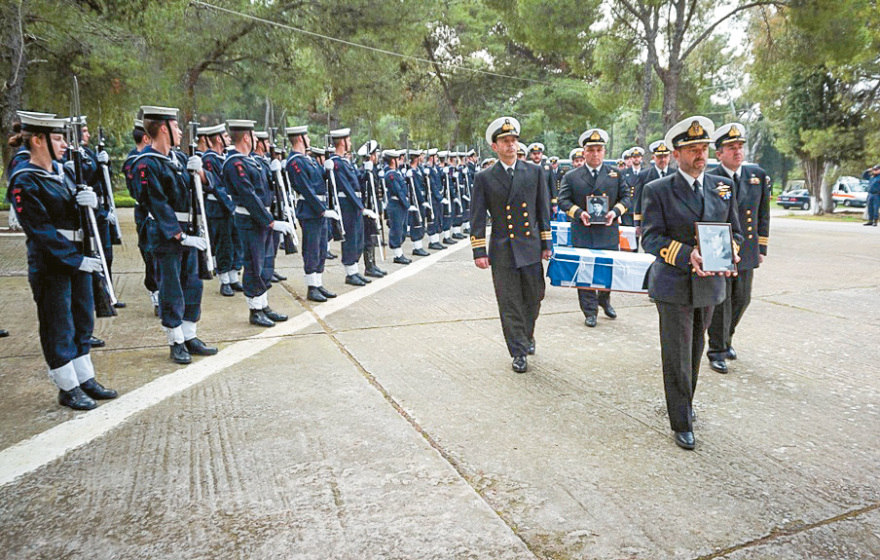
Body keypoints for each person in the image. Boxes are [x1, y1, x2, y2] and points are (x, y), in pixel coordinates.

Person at [641, 116, 744, 450]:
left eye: (703, 148)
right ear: (676, 154)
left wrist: (732, 252)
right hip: (673, 284)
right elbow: (651, 238)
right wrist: (688, 254)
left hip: (711, 285)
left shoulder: (721, 186)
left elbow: (736, 231)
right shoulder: (658, 190)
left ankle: (686, 401)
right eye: (693, 150)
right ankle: (680, 419)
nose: (701, 155)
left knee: (696, 349)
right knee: (677, 354)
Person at [8, 112, 117, 409]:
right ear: (38, 140)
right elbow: (40, 230)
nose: (64, 144)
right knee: (59, 324)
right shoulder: (24, 180)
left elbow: (80, 216)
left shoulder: (66, 173)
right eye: (57, 138)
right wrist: (74, 260)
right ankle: (67, 386)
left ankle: (84, 378)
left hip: (78, 258)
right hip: (52, 263)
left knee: (83, 319)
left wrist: (91, 204)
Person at [132, 106, 217, 363]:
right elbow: (156, 204)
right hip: (166, 235)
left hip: (189, 231)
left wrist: (200, 173)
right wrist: (179, 235)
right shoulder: (146, 164)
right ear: (163, 129)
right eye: (176, 127)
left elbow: (208, 185)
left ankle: (189, 335)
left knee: (193, 285)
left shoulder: (179, 159)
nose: (180, 131)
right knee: (172, 289)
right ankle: (175, 341)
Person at [470, 117, 552, 374]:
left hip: (530, 246)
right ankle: (517, 350)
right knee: (509, 302)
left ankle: (527, 334)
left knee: (535, 296)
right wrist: (478, 250)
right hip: (503, 249)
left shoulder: (534, 171)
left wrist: (546, 242)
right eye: (505, 141)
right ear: (494, 147)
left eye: (514, 140)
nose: (511, 145)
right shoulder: (484, 177)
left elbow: (543, 209)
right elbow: (477, 216)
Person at [706, 123, 771, 374]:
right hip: (721, 247)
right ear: (719, 154)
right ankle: (717, 350)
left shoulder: (756, 175)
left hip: (747, 249)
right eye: (731, 148)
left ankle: (727, 337)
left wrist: (762, 246)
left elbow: (763, 212)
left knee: (742, 299)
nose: (737, 152)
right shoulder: (711, 178)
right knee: (721, 301)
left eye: (740, 147)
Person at [221, 119, 292, 327]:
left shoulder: (250, 161)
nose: (256, 140)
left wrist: (277, 171)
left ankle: (263, 304)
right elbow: (248, 196)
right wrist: (270, 222)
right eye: (253, 136)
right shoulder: (235, 163)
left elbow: (266, 190)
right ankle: (255, 309)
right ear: (246, 137)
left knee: (263, 265)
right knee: (253, 264)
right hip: (250, 221)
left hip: (261, 220)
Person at [557, 128, 630, 327]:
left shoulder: (615, 174)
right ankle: (589, 311)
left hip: (607, 231)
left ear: (604, 152)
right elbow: (563, 200)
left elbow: (626, 197)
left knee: (606, 270)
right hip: (583, 231)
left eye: (599, 149)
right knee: (585, 271)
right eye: (591, 150)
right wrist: (578, 212)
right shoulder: (572, 176)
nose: (595, 153)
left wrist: (615, 211)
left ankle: (605, 301)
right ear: (584, 152)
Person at [285, 125, 337, 302]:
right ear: (300, 138)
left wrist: (327, 170)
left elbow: (319, 181)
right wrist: (322, 210)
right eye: (306, 136)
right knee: (312, 249)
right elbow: (306, 189)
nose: (308, 139)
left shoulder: (309, 160)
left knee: (321, 247)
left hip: (319, 210)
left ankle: (318, 282)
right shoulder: (295, 161)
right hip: (310, 210)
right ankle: (311, 287)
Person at [122, 117, 159, 313]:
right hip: (145, 211)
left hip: (157, 211)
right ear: (146, 138)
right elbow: (137, 191)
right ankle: (155, 294)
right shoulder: (133, 162)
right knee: (149, 251)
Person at [328, 128, 370, 285]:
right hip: (348, 204)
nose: (350, 143)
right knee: (351, 238)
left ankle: (354, 270)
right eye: (349, 140)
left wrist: (366, 172)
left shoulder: (346, 162)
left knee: (358, 239)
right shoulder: (336, 163)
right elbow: (346, 187)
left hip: (355, 204)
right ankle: (350, 273)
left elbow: (357, 181)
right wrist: (360, 206)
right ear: (343, 142)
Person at [633, 140, 674, 249]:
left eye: (665, 156)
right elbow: (638, 200)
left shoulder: (676, 175)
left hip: (671, 222)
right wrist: (637, 223)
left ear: (670, 157)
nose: (663, 160)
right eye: (660, 157)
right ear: (653, 157)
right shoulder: (644, 176)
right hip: (650, 222)